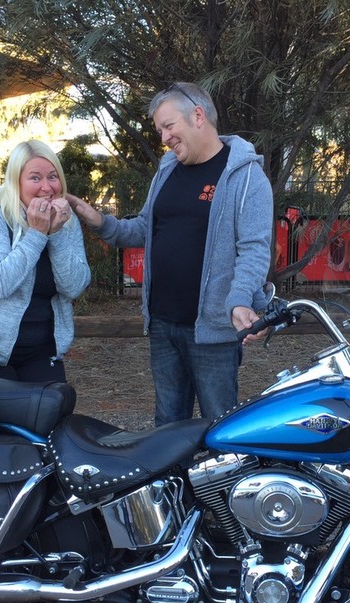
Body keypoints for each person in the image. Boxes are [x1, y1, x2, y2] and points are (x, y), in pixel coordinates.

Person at [67, 82, 272, 425]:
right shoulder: (168, 169)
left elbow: (253, 250)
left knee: (218, 428)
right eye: (159, 129)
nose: (163, 137)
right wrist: (99, 221)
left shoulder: (246, 176)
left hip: (214, 332)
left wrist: (239, 301)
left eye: (168, 125)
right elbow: (145, 228)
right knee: (167, 429)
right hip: (163, 326)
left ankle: (219, 481)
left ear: (197, 115)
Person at [0, 140, 91, 382]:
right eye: (35, 178)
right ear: (16, 182)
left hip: (42, 351)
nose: (46, 187)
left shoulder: (65, 219)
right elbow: (0, 283)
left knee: (52, 413)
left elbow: (74, 286)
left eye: (53, 177)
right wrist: (37, 234)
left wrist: (57, 233)